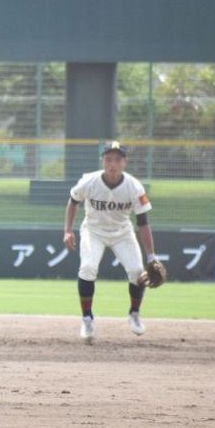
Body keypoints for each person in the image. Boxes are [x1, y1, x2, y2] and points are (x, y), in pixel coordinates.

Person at [63, 140, 158, 342]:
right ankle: (87, 319)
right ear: (102, 161)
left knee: (136, 271)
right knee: (87, 268)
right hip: (93, 230)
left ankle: (134, 314)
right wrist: (68, 230)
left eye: (117, 159)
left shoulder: (134, 186)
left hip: (122, 232)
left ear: (124, 162)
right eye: (108, 159)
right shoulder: (89, 181)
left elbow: (143, 222)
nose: (112, 164)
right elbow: (73, 201)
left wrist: (151, 256)